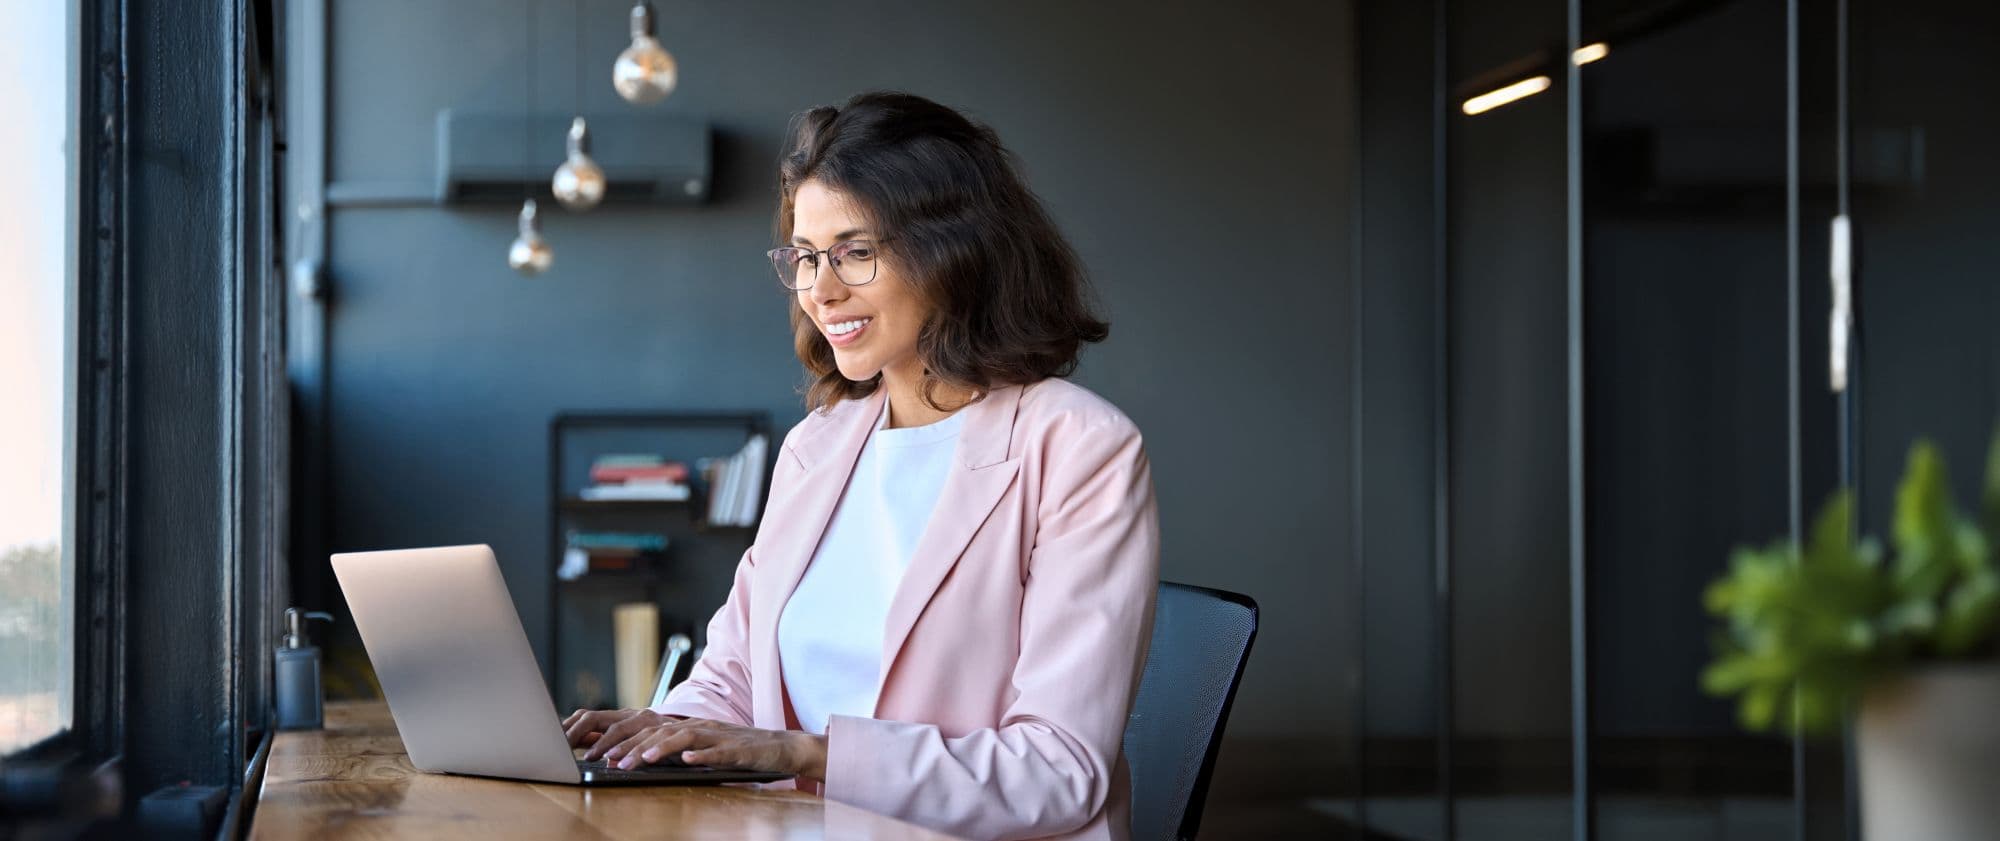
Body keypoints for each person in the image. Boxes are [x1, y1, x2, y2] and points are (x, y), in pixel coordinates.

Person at [561, 91, 1160, 841]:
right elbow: (736, 672)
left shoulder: (1079, 447)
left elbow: (1059, 770)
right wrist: (658, 734)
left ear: (955, 251)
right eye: (807, 256)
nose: (821, 288)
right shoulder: (819, 445)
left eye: (855, 251)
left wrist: (803, 752)